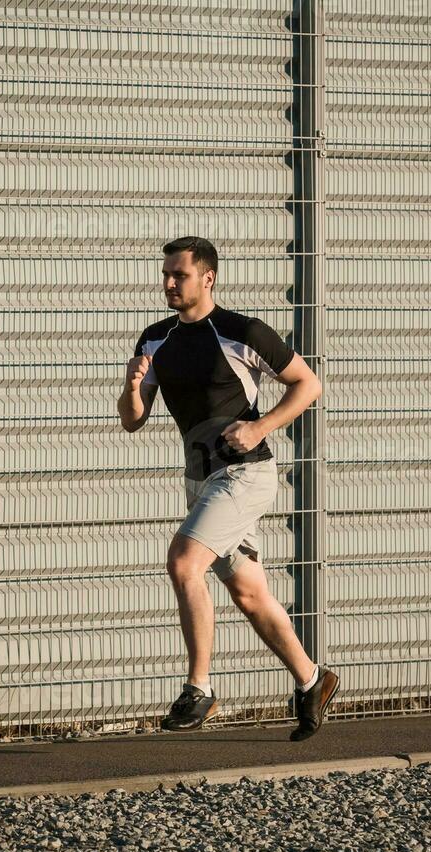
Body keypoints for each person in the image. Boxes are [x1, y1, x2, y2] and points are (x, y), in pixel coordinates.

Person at [118, 237, 338, 740]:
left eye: (180, 275)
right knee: (248, 593)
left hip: (245, 475)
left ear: (207, 278)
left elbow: (308, 384)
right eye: (166, 275)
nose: (169, 284)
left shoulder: (242, 331)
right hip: (200, 482)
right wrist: (132, 388)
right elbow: (134, 421)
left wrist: (260, 428)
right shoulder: (154, 339)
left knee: (182, 562)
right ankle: (312, 679)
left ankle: (200, 689)